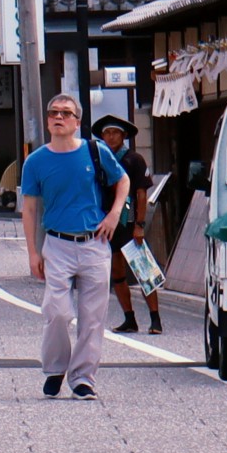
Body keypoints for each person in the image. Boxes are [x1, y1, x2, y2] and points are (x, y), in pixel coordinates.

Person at [20, 93, 128, 400]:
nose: (58, 117)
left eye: (66, 113)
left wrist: (114, 213)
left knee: (93, 317)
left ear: (77, 121)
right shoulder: (36, 161)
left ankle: (83, 378)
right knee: (57, 312)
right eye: (53, 112)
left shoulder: (95, 151)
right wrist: (32, 252)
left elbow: (123, 181)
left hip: (94, 242)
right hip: (56, 243)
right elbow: (28, 209)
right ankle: (55, 368)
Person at [95, 116, 161, 335]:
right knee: (117, 271)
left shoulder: (134, 159)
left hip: (130, 219)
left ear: (123, 136)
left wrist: (140, 224)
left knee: (143, 270)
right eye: (107, 133)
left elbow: (142, 193)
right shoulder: (100, 159)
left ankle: (155, 319)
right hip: (107, 221)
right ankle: (129, 318)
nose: (111, 136)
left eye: (115, 132)